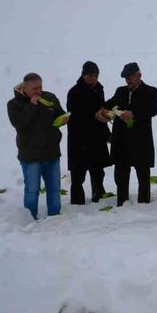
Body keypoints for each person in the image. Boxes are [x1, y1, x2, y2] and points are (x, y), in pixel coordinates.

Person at [6, 72, 68, 220]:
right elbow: (19, 124)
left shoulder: (50, 97)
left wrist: (64, 118)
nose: (38, 91)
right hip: (30, 157)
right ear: (25, 88)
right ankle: (30, 218)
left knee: (54, 189)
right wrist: (32, 105)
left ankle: (55, 216)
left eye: (40, 87)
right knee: (32, 190)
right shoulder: (14, 104)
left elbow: (59, 113)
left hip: (52, 153)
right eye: (34, 88)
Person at [98, 62, 157, 206]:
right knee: (121, 174)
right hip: (121, 140)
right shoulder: (121, 91)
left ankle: (144, 202)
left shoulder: (150, 91)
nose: (128, 80)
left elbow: (152, 110)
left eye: (130, 77)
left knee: (143, 173)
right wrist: (105, 112)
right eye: (126, 78)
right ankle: (122, 201)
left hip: (140, 140)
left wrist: (133, 114)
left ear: (139, 75)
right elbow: (109, 104)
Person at [66, 61, 112, 205]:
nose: (93, 78)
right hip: (79, 138)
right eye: (90, 75)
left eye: (96, 75)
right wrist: (94, 115)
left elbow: (102, 110)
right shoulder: (74, 92)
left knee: (98, 171)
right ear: (83, 75)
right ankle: (77, 202)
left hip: (97, 137)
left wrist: (107, 132)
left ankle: (99, 195)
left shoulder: (99, 89)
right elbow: (74, 115)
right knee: (78, 174)